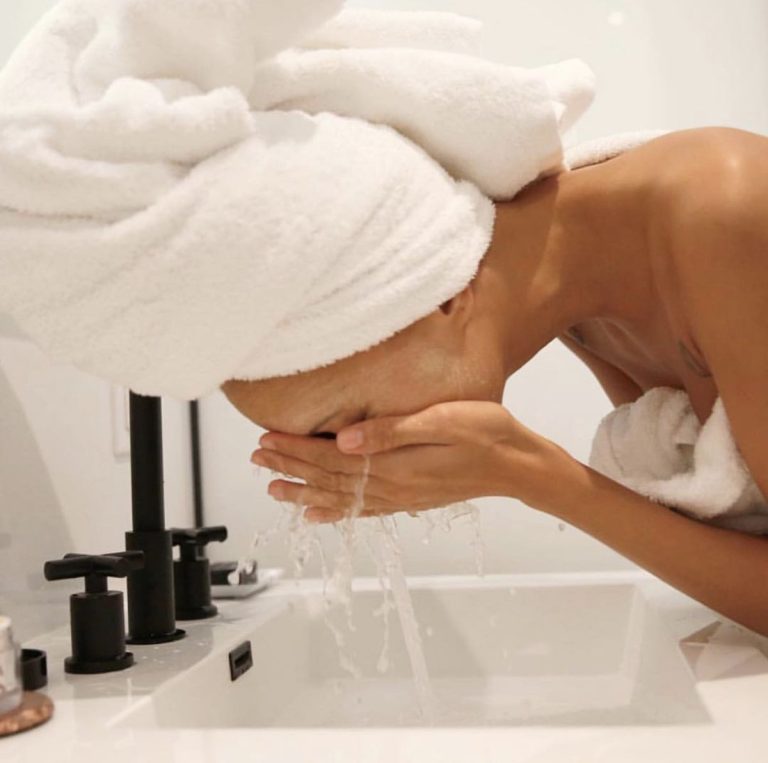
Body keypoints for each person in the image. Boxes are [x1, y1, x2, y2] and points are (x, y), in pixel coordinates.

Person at [222, 124, 768, 637]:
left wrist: (531, 473)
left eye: (352, 424)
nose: (354, 457)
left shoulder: (724, 207)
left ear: (438, 296)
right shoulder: (584, 303)